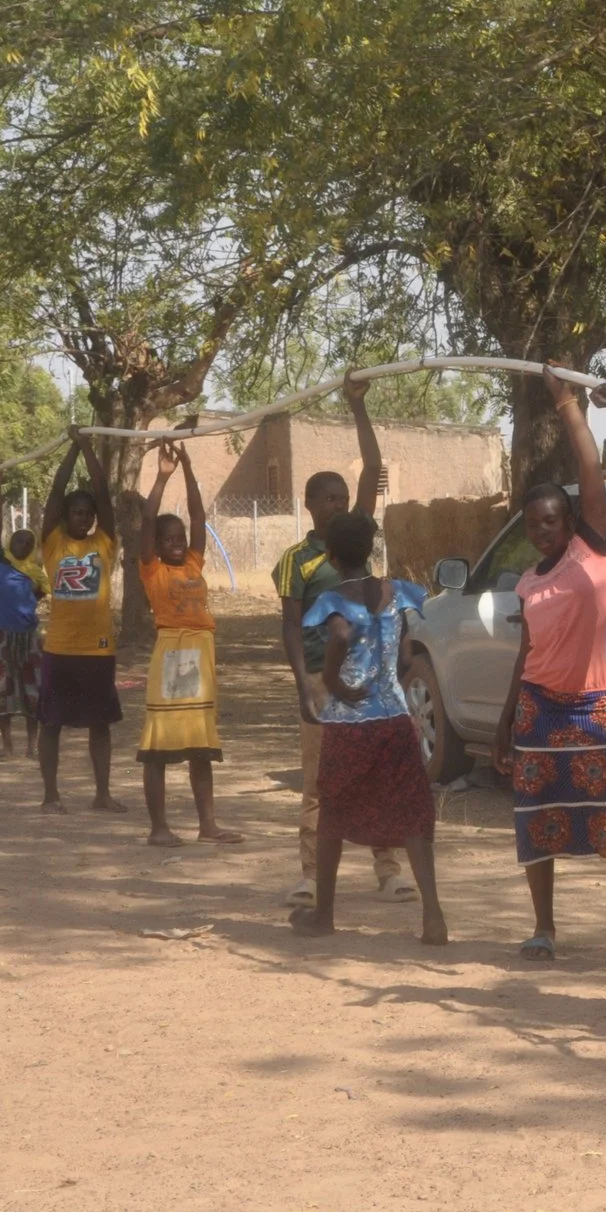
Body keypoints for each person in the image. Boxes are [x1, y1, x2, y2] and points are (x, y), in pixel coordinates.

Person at [491, 366, 606, 960]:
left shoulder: (592, 552)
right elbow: (526, 656)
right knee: (536, 822)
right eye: (533, 523)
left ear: (570, 522)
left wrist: (568, 404)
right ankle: (544, 927)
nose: (543, 531)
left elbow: (590, 472)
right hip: (539, 713)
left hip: (599, 710)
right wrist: (504, 723)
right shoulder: (526, 583)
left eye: (552, 521)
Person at [275, 377, 410, 906]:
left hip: (370, 678)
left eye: (342, 498)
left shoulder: (355, 542)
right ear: (308, 504)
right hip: (320, 678)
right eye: (328, 499)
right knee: (318, 781)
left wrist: (358, 406)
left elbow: (373, 470)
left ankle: (388, 869)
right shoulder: (297, 561)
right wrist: (302, 687)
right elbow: (289, 626)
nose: (337, 505)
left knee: (377, 774)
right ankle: (311, 875)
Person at [296, 511, 446, 944]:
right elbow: (402, 660)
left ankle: (323, 915)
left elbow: (340, 637)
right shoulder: (397, 592)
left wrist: (331, 680)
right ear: (370, 550)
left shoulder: (334, 599)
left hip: (350, 722)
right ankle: (433, 915)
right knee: (412, 814)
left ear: (331, 556)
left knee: (333, 815)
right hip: (396, 719)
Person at [137, 442, 242, 847]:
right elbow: (148, 520)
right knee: (159, 744)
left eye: (180, 537)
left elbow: (199, 515)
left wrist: (189, 469)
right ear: (158, 546)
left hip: (201, 653)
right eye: (169, 539)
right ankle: (159, 828)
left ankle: (208, 825)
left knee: (201, 743)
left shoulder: (195, 563)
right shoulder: (152, 571)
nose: (177, 542)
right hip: (171, 654)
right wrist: (163, 476)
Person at [35, 434, 124, 812]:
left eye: (89, 513)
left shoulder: (103, 543)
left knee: (99, 724)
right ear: (66, 516)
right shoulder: (52, 543)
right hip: (60, 649)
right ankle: (51, 795)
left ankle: (102, 794)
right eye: (78, 512)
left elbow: (105, 497)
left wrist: (90, 448)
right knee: (51, 724)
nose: (85, 517)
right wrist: (73, 448)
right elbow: (55, 494)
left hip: (98, 649)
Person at [0, 473, 44, 757]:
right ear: (10, 542)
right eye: (17, 539)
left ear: (32, 547)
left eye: (26, 541)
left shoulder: (36, 574)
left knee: (33, 689)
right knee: (2, 688)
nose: (21, 543)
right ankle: (7, 746)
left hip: (28, 636)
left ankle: (32, 746)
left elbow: (36, 600)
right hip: (0, 636)